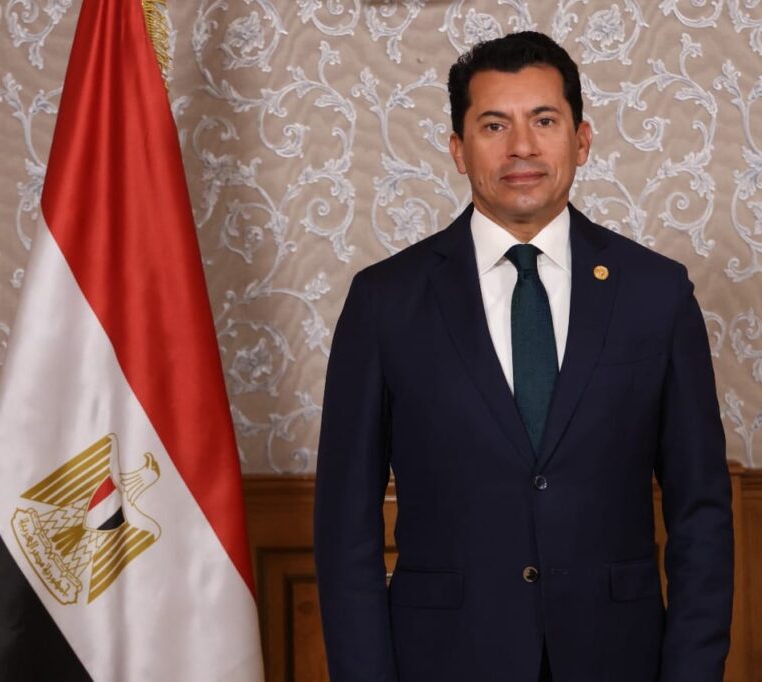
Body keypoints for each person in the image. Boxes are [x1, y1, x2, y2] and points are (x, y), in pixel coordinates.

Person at [313, 31, 733, 682]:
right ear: (458, 149)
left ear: (581, 140)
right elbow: (346, 526)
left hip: (616, 658)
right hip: (444, 661)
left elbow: (701, 511)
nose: (522, 148)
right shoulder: (385, 302)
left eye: (544, 121)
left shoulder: (656, 294)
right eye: (493, 125)